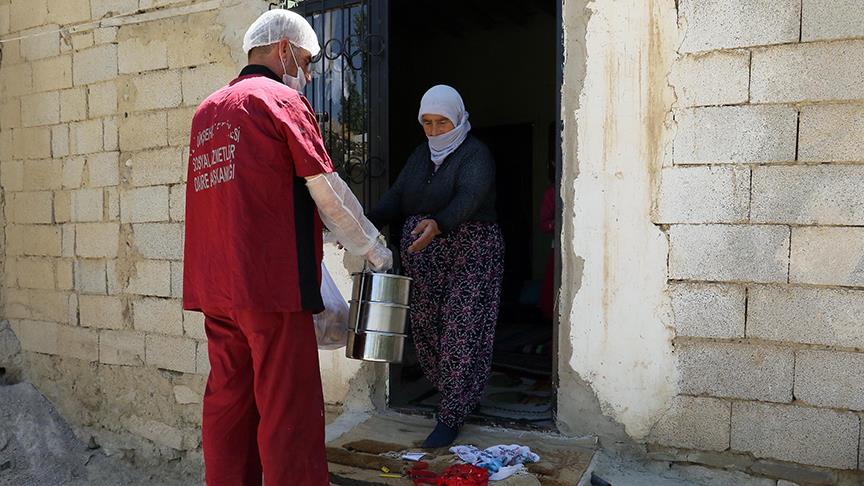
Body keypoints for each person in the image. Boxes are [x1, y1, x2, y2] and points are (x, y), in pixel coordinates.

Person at [182, 9, 391, 486]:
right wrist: (373, 248)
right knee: (288, 412)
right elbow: (327, 190)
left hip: (216, 289)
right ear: (283, 50)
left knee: (229, 403)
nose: (310, 75)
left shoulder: (206, 112)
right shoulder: (281, 101)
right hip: (271, 288)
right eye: (307, 61)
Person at [368, 85, 505, 448]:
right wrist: (364, 224)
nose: (434, 130)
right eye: (427, 123)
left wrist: (439, 223)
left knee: (462, 326)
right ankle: (458, 396)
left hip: (472, 250)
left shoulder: (475, 154)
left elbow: (469, 198)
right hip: (426, 255)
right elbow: (397, 196)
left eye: (442, 122)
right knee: (427, 326)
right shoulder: (420, 155)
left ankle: (450, 417)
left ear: (457, 118)